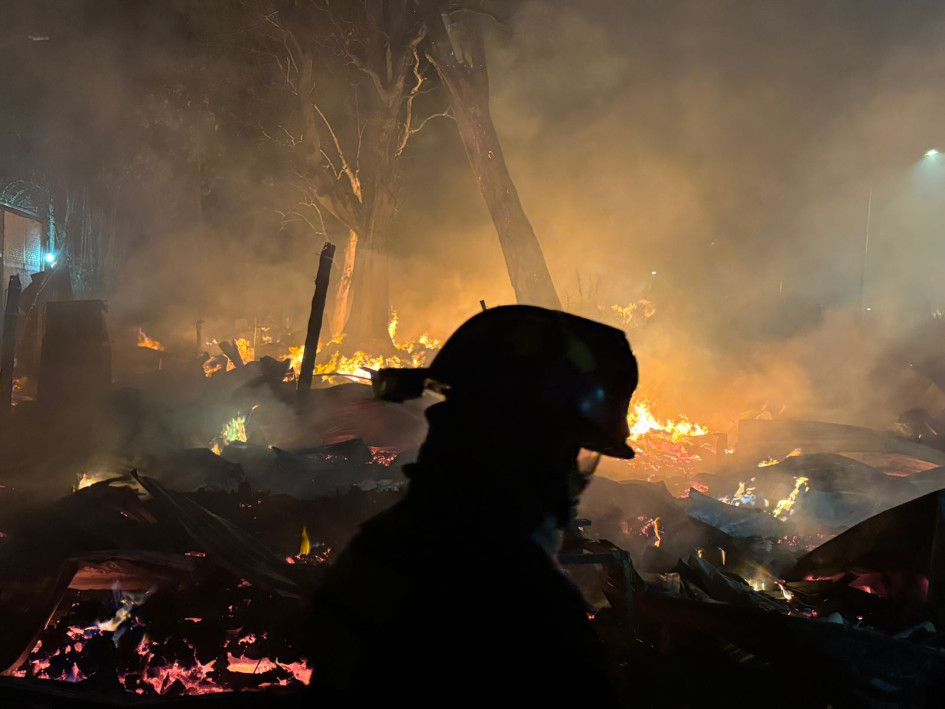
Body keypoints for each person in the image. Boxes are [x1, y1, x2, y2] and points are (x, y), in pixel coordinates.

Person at [305, 305, 639, 705]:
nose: (575, 479)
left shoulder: (379, 544)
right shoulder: (521, 595)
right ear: (537, 449)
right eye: (575, 451)